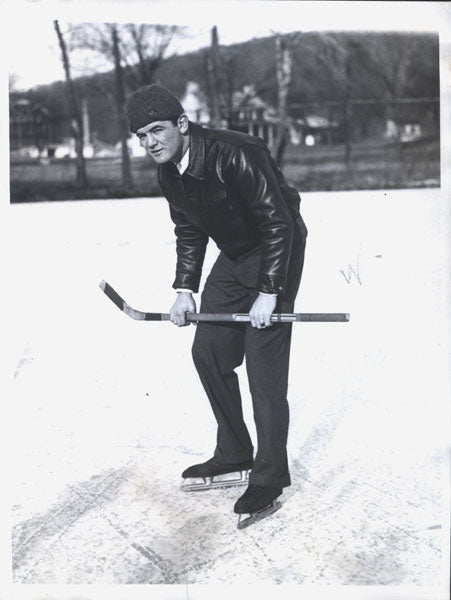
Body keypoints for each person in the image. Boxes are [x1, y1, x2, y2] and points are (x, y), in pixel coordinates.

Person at [126, 84, 308, 526]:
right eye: (141, 136)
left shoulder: (237, 153)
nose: (150, 142)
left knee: (264, 370)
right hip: (235, 255)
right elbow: (188, 230)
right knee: (208, 352)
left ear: (182, 125)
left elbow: (277, 222)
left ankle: (269, 476)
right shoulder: (169, 172)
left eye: (157, 130)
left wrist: (270, 291)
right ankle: (233, 452)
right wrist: (184, 288)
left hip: (276, 249)